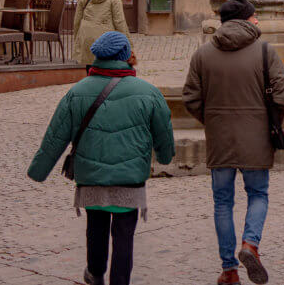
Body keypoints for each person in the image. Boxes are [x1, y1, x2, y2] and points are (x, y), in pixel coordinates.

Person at [27, 31, 175, 285]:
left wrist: (38, 171)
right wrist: (164, 156)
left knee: (96, 226)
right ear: (127, 57)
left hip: (91, 177)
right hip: (130, 180)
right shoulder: (148, 92)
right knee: (124, 235)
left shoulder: (77, 92)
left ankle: (95, 274)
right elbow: (164, 133)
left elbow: (55, 136)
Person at [182, 0, 284, 285]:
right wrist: (269, 123)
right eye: (255, 16)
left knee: (222, 202)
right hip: (256, 137)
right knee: (258, 194)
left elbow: (191, 98)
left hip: (220, 139)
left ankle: (229, 270)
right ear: (246, 19)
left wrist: (213, 120)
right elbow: (283, 96)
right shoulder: (265, 52)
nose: (257, 21)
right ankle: (250, 244)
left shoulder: (203, 54)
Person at [74, 0, 130, 72]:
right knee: (106, 69)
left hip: (87, 37)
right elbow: (120, 23)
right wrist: (128, 44)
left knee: (90, 67)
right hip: (106, 40)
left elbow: (77, 21)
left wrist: (77, 40)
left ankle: (91, 86)